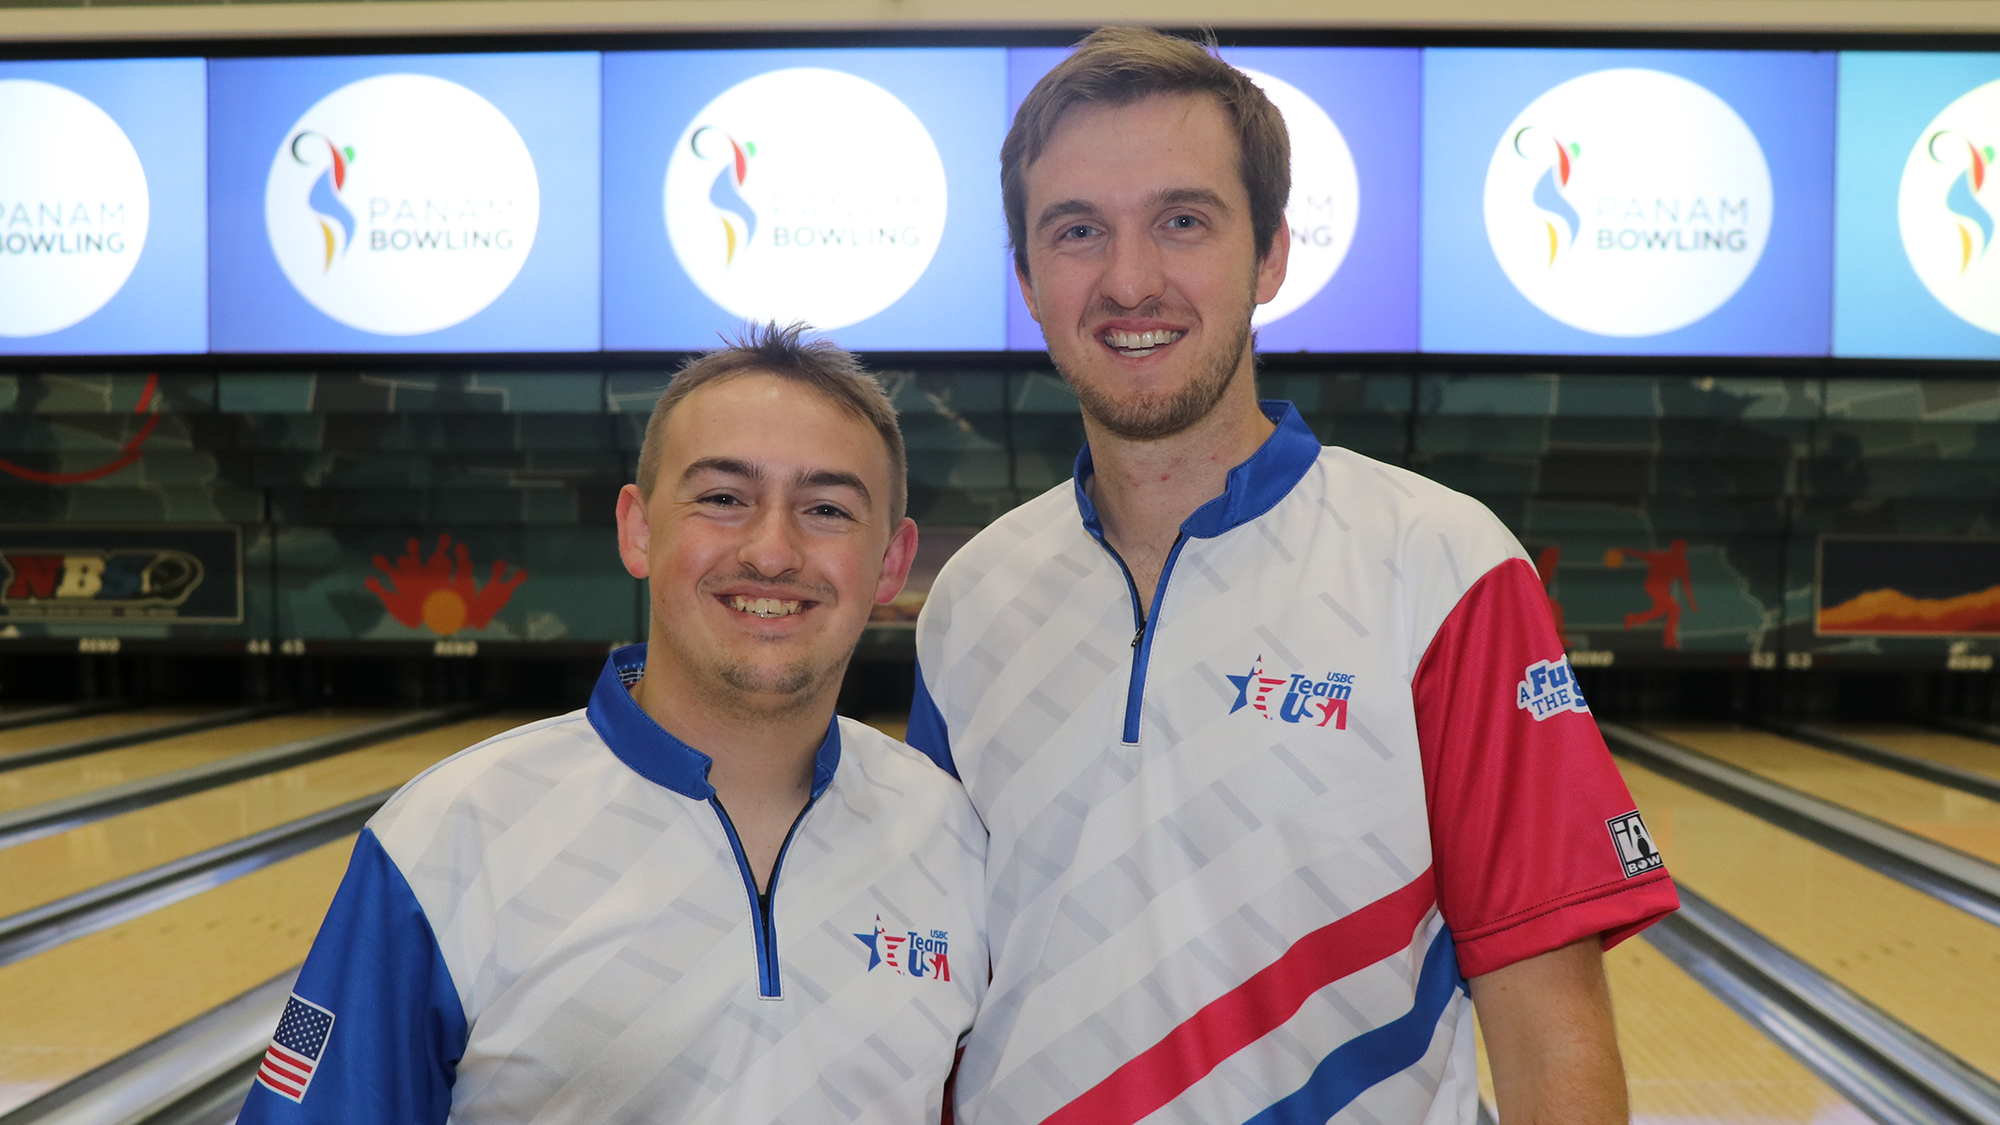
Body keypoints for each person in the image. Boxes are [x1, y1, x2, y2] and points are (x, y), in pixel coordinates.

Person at [908, 28, 1678, 1125]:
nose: (1129, 279)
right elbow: (935, 1002)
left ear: (1270, 255)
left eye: (1182, 221)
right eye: (1077, 231)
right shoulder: (971, 600)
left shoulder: (1441, 567)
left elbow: (1550, 1041)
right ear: (1027, 279)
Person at [242, 325, 986, 1125]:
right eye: (723, 498)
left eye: (828, 508)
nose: (772, 551)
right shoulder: (448, 836)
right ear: (638, 529)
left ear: (892, 562)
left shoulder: (955, 839)